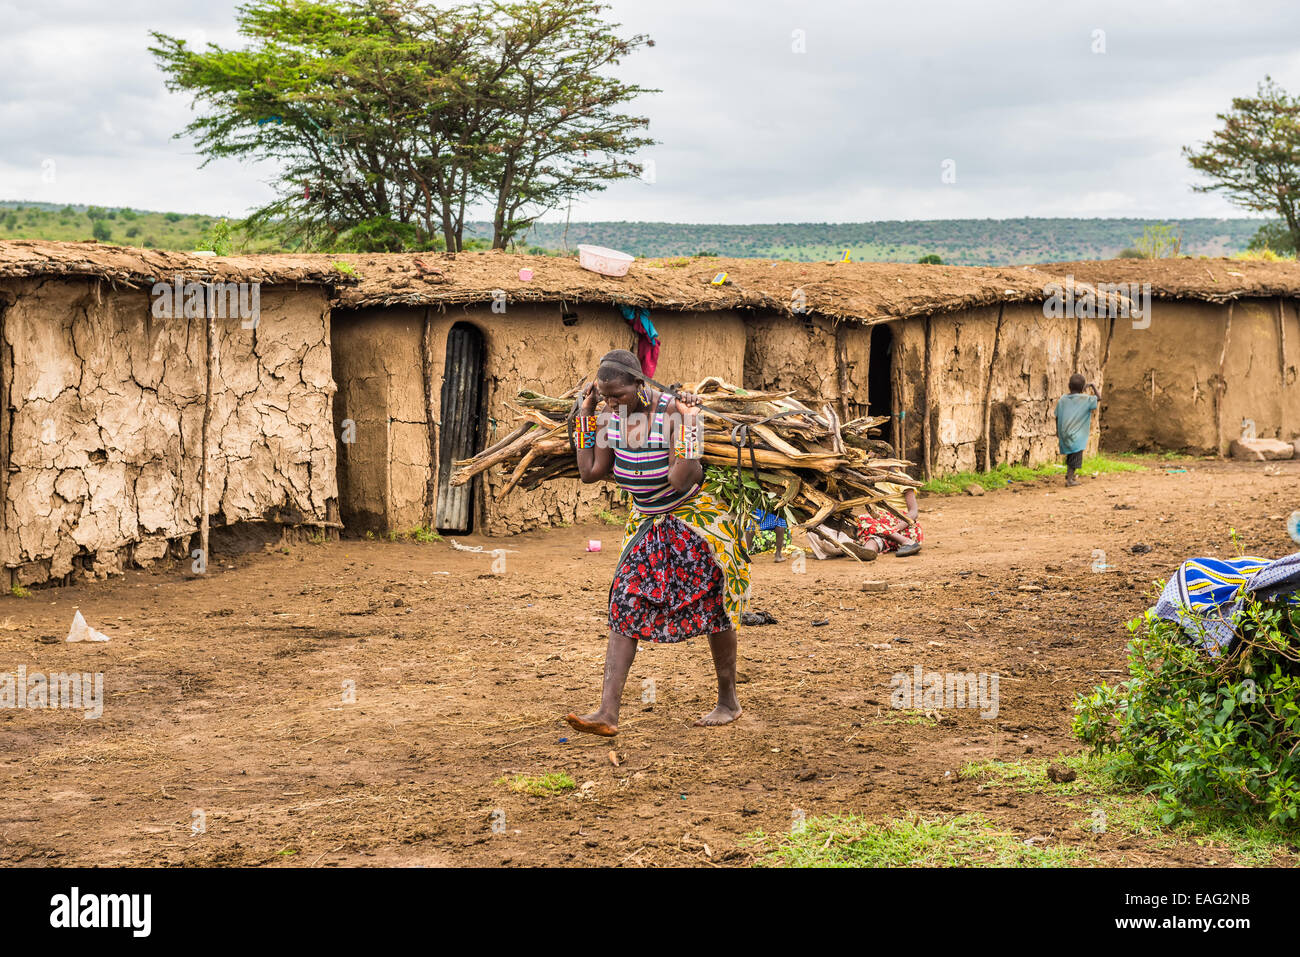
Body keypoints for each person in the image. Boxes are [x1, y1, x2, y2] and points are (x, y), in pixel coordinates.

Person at [565, 350, 750, 737]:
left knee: (714, 605)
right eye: (606, 395)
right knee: (625, 603)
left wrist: (689, 423)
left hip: (692, 522)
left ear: (640, 384)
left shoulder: (671, 412)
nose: (613, 402)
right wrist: (584, 417)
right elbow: (590, 471)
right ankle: (607, 712)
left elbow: (683, 478)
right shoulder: (607, 418)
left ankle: (728, 700)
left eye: (619, 395)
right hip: (647, 524)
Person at [853, 481, 922, 558]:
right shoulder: (876, 481)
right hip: (885, 533)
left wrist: (892, 530)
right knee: (873, 538)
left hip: (906, 529)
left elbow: (914, 512)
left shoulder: (903, 480)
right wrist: (885, 530)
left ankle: (907, 542)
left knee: (863, 518)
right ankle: (869, 551)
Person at [1055, 374, 1101, 487]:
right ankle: (1070, 480)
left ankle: (1068, 474)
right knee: (1076, 455)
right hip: (1077, 435)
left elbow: (1056, 416)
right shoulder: (1085, 399)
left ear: (1068, 386)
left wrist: (1058, 430)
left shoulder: (1063, 399)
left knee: (1071, 454)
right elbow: (1099, 398)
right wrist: (1092, 386)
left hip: (1064, 432)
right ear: (1082, 388)